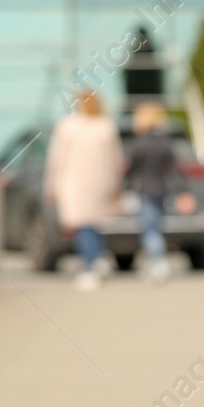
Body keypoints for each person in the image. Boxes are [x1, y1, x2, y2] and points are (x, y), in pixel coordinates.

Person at [43, 88, 125, 290]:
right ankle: (99, 259)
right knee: (95, 224)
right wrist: (116, 185)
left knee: (83, 225)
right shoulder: (106, 126)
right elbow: (118, 161)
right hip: (101, 183)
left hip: (75, 183)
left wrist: (51, 184)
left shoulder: (67, 127)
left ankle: (90, 267)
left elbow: (56, 159)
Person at [124, 101, 180, 283]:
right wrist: (182, 192)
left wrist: (125, 189)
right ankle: (155, 261)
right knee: (157, 226)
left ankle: (158, 262)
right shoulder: (164, 143)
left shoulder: (139, 144)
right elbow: (172, 169)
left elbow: (131, 171)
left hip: (146, 190)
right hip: (162, 191)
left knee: (150, 229)